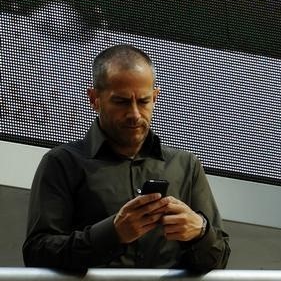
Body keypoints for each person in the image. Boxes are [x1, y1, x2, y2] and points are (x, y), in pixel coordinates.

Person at [23, 44, 231, 271]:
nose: (134, 114)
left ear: (155, 97)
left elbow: (219, 260)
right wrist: (113, 233)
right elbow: (37, 253)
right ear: (94, 99)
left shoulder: (186, 166)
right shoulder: (62, 163)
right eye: (121, 101)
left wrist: (199, 232)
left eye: (143, 101)